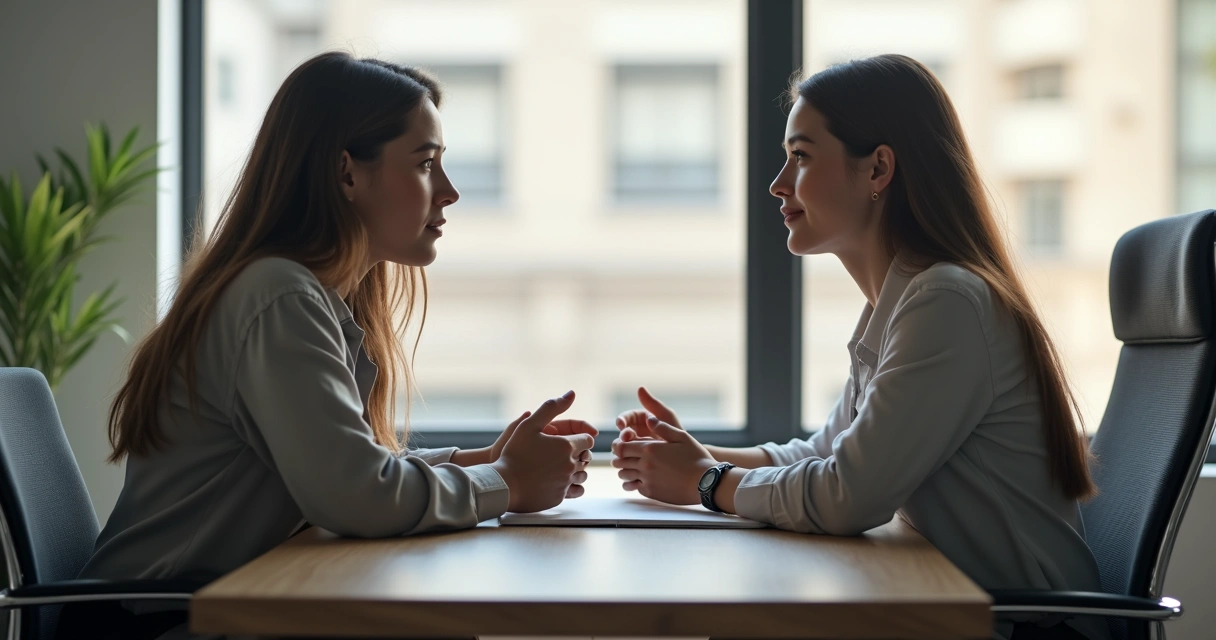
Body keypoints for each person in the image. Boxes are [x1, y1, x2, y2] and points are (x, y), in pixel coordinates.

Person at [60, 51, 595, 639]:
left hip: (204, 606)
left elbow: (348, 472)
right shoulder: (278, 296)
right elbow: (356, 498)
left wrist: (484, 463)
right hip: (158, 622)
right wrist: (508, 483)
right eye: (425, 165)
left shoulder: (301, 292)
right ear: (347, 174)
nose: (448, 192)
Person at [611, 54, 1108, 640]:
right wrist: (697, 454)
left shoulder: (946, 302)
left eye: (800, 157)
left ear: (877, 169)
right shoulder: (899, 301)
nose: (777, 184)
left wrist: (705, 483)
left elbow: (849, 495)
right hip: (965, 611)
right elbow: (826, 454)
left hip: (1025, 628)